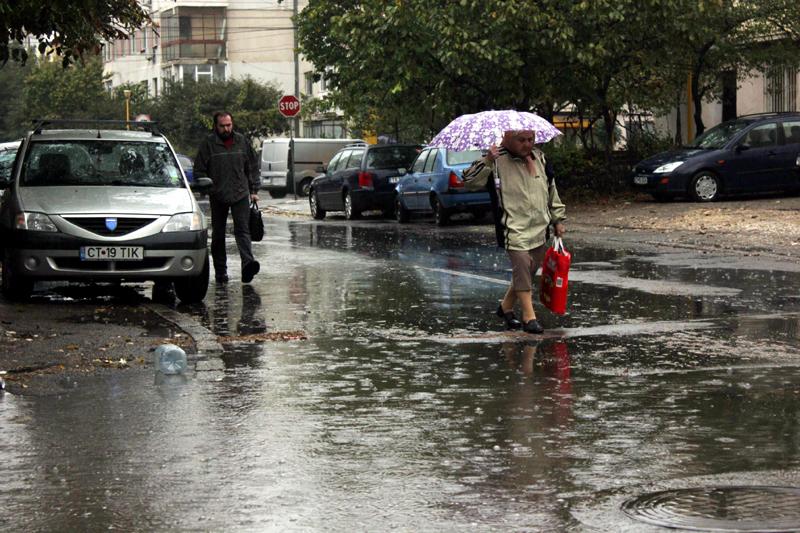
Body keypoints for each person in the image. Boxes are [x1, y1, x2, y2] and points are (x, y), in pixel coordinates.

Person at [462, 130, 566, 334]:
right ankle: (530, 317)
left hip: (539, 226)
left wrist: (557, 219)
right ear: (507, 139)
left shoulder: (540, 158)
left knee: (527, 271)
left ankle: (505, 307)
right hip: (512, 226)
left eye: (531, 139)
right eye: (522, 140)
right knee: (522, 267)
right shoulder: (496, 159)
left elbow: (551, 189)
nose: (528, 144)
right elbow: (469, 181)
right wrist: (487, 160)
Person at [194, 111, 261, 284]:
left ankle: (248, 265)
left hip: (240, 193)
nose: (226, 128)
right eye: (223, 126)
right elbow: (199, 170)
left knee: (243, 230)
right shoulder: (208, 145)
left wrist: (254, 190)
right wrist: (208, 189)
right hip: (218, 196)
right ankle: (220, 272)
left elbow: (252, 166)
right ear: (216, 126)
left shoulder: (242, 142)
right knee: (218, 235)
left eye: (229, 125)